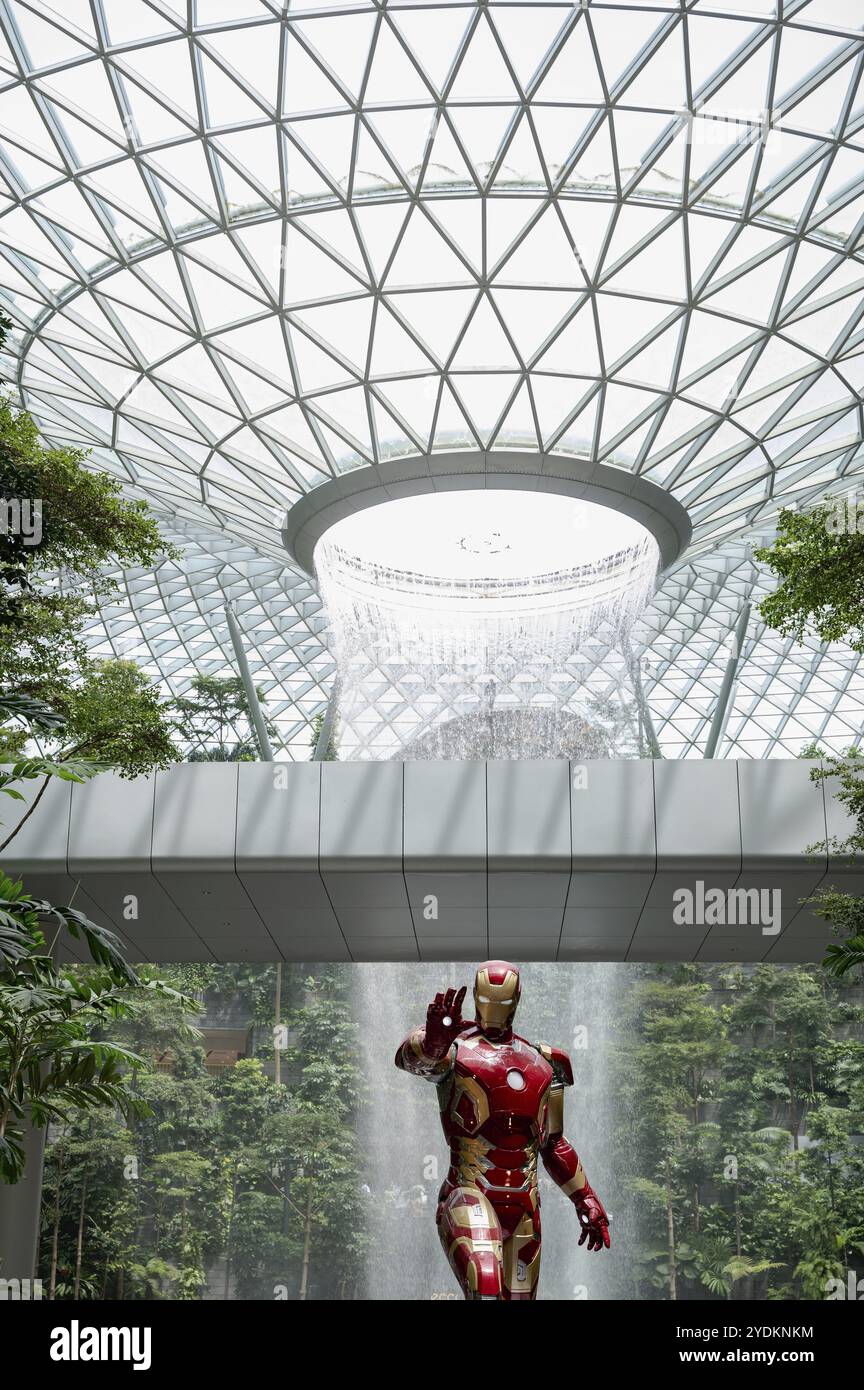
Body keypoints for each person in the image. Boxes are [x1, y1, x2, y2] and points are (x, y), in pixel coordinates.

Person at [395, 959, 610, 1300]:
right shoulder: (455, 1050)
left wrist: (585, 1197)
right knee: (486, 1284)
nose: (494, 1008)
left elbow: (552, 1143)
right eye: (488, 1000)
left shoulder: (545, 1062)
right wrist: (435, 1041)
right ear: (477, 998)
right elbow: (413, 1061)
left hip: (525, 1207)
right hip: (469, 1195)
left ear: (517, 1000)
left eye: (504, 1001)